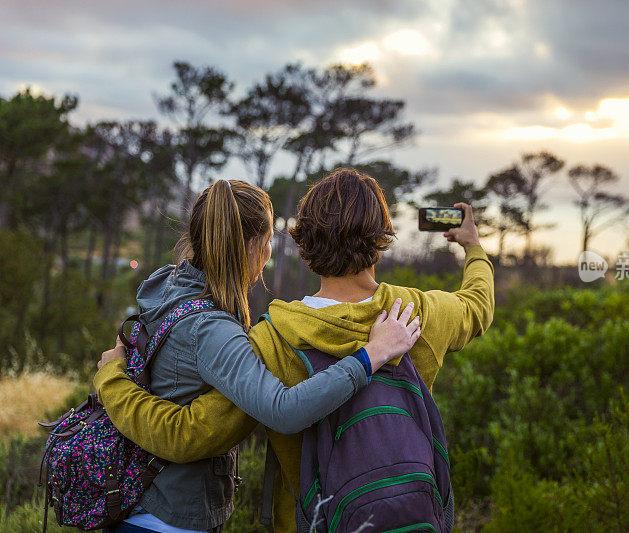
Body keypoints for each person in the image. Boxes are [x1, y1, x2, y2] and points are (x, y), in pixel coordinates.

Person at [95, 168, 495, 532]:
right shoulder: (415, 314)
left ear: (304, 242)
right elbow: (478, 304)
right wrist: (473, 247)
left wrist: (113, 378)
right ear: (380, 239)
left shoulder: (273, 340)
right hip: (411, 516)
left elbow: (187, 435)